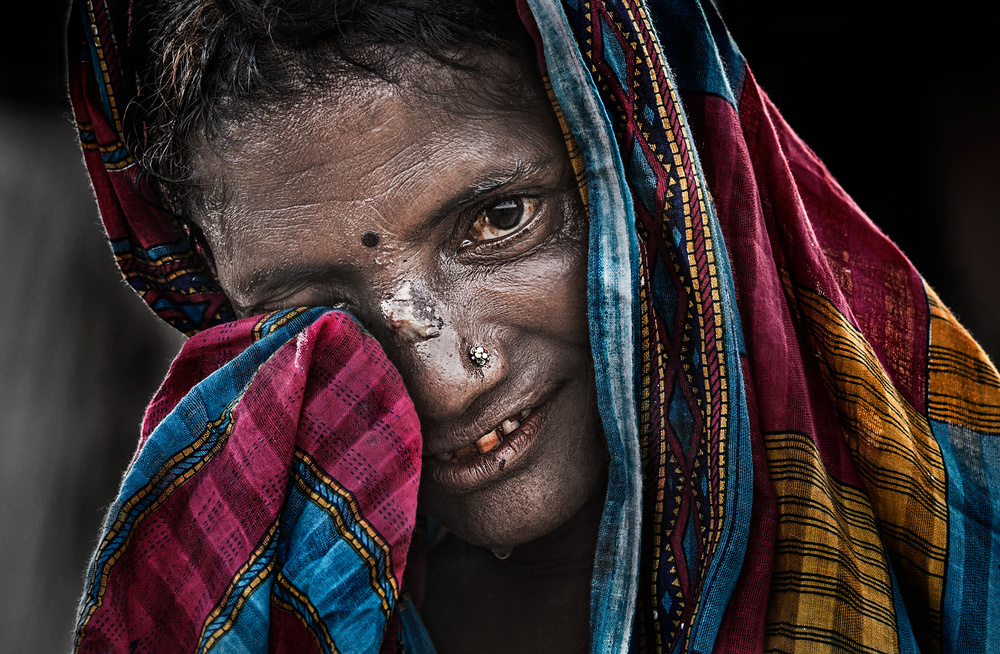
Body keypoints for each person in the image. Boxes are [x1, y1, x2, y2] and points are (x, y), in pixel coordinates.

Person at [67, 0, 1000, 652]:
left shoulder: (961, 551)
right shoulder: (249, 610)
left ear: (651, 180)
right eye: (307, 310)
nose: (445, 379)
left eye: (500, 219)